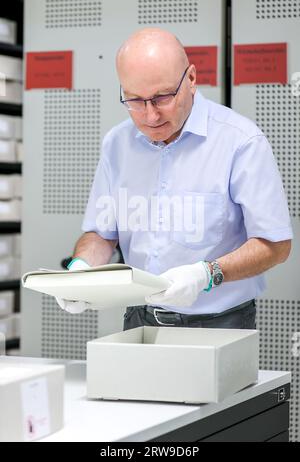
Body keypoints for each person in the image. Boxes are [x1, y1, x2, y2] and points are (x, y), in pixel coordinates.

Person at [56, 28, 292, 330]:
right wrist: (81, 270)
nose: (151, 116)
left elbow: (275, 244)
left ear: (191, 79)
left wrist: (208, 274)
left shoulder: (240, 141)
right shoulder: (117, 144)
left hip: (220, 321)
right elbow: (102, 234)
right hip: (141, 318)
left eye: (162, 97)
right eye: (135, 101)